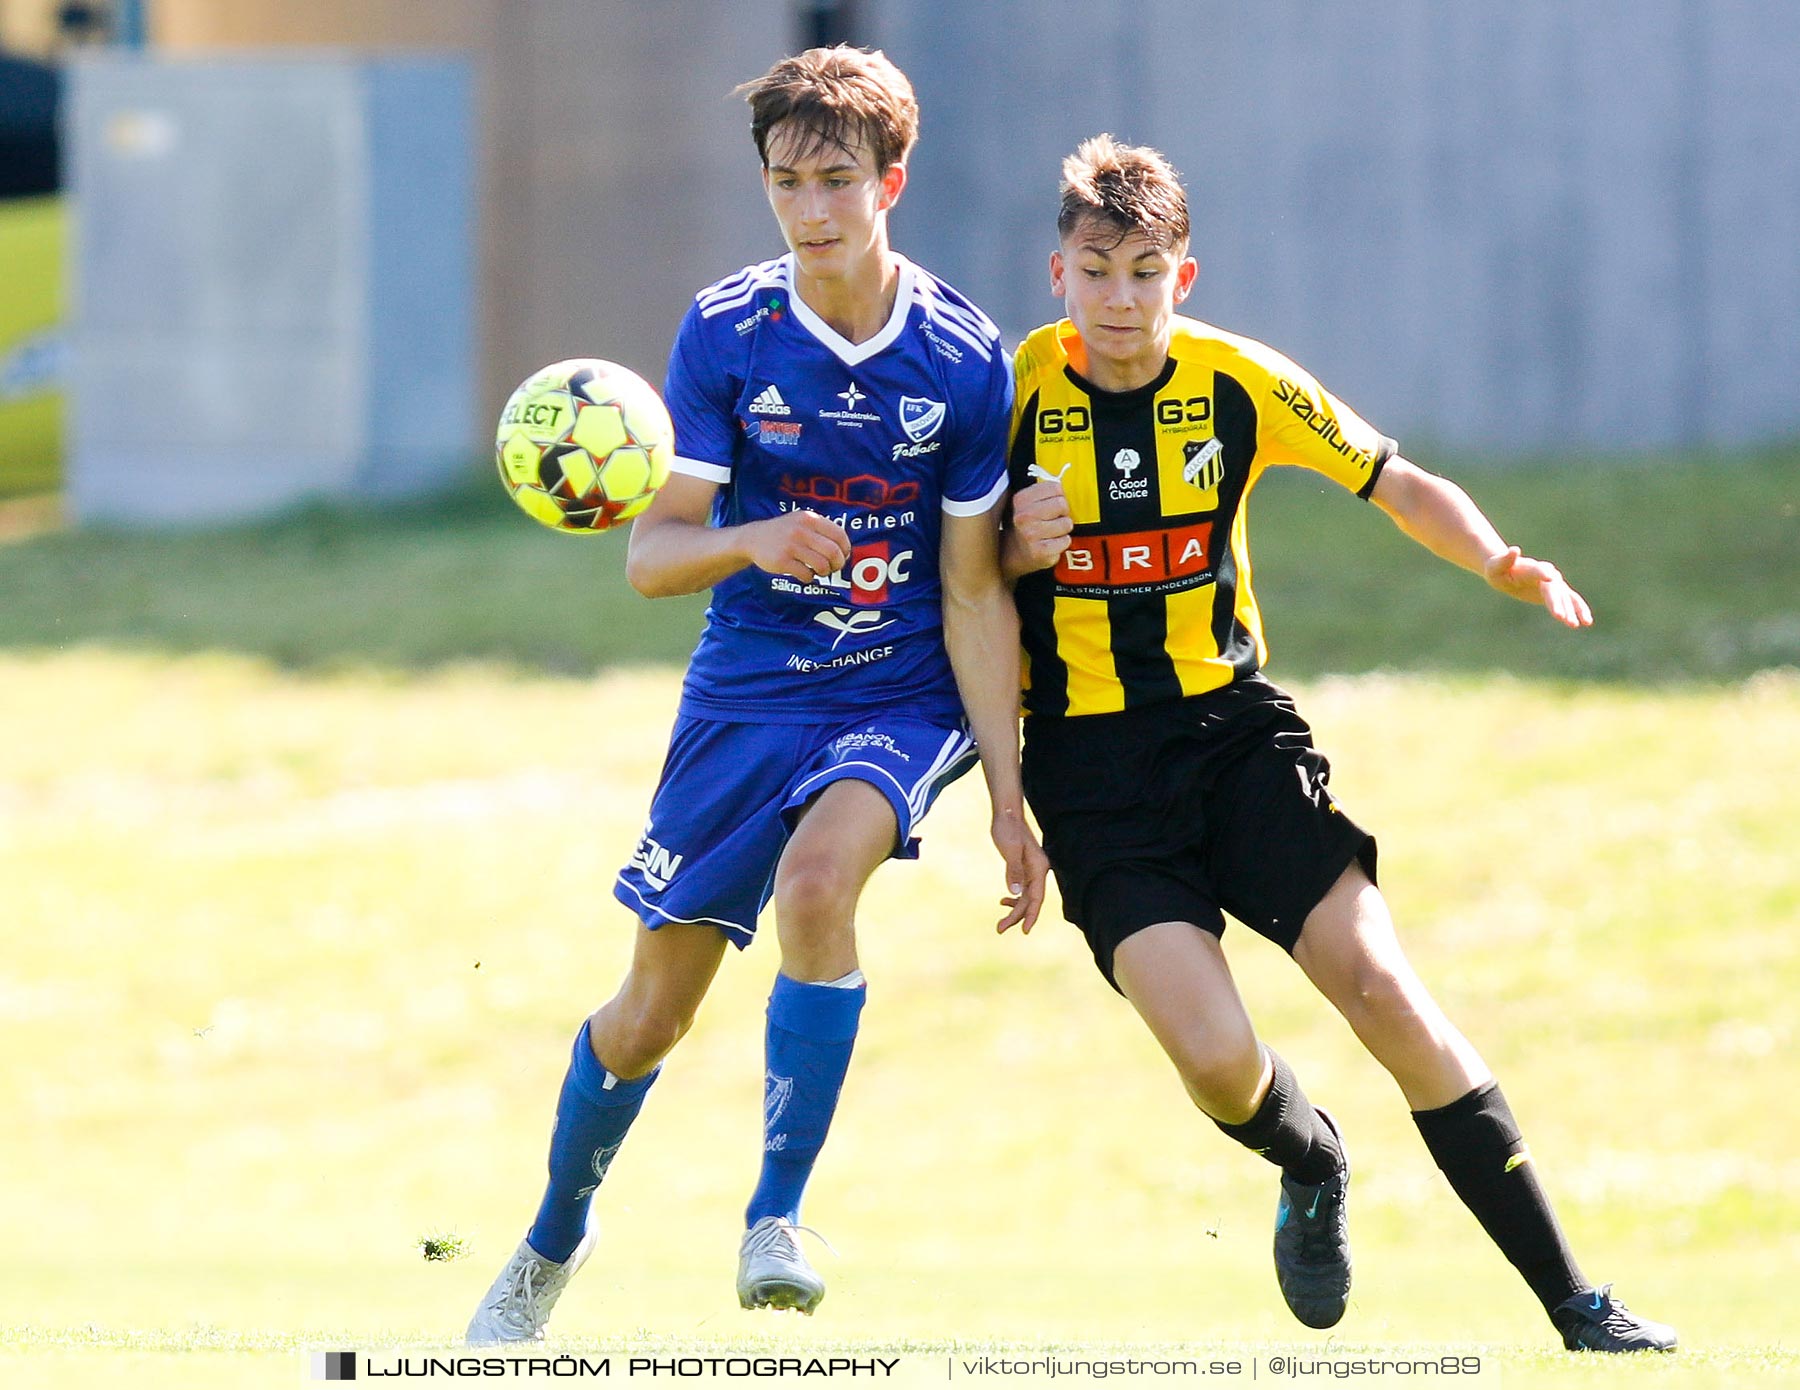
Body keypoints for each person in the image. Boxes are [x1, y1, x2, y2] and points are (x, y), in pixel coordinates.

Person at [998, 134, 1676, 1354]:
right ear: (1057, 274)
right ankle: (1310, 1158)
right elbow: (957, 587)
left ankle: (1579, 1304)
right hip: (1092, 776)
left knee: (1385, 991)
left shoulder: (1238, 381)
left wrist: (1497, 558)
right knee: (1213, 1063)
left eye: (1145, 271)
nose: (1119, 299)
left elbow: (1393, 477)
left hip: (1235, 742)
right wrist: (1006, 552)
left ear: (1184, 277)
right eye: (1096, 270)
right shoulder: (1005, 401)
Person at [466, 47, 1046, 1343]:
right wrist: (752, 536)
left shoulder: (959, 357)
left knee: (818, 882)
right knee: (646, 1017)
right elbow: (652, 554)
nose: (813, 210)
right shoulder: (726, 331)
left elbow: (970, 591)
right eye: (787, 183)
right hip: (746, 693)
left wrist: (1010, 798)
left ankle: (774, 1215)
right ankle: (554, 1234)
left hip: (897, 689)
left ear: (892, 179)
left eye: (838, 180)